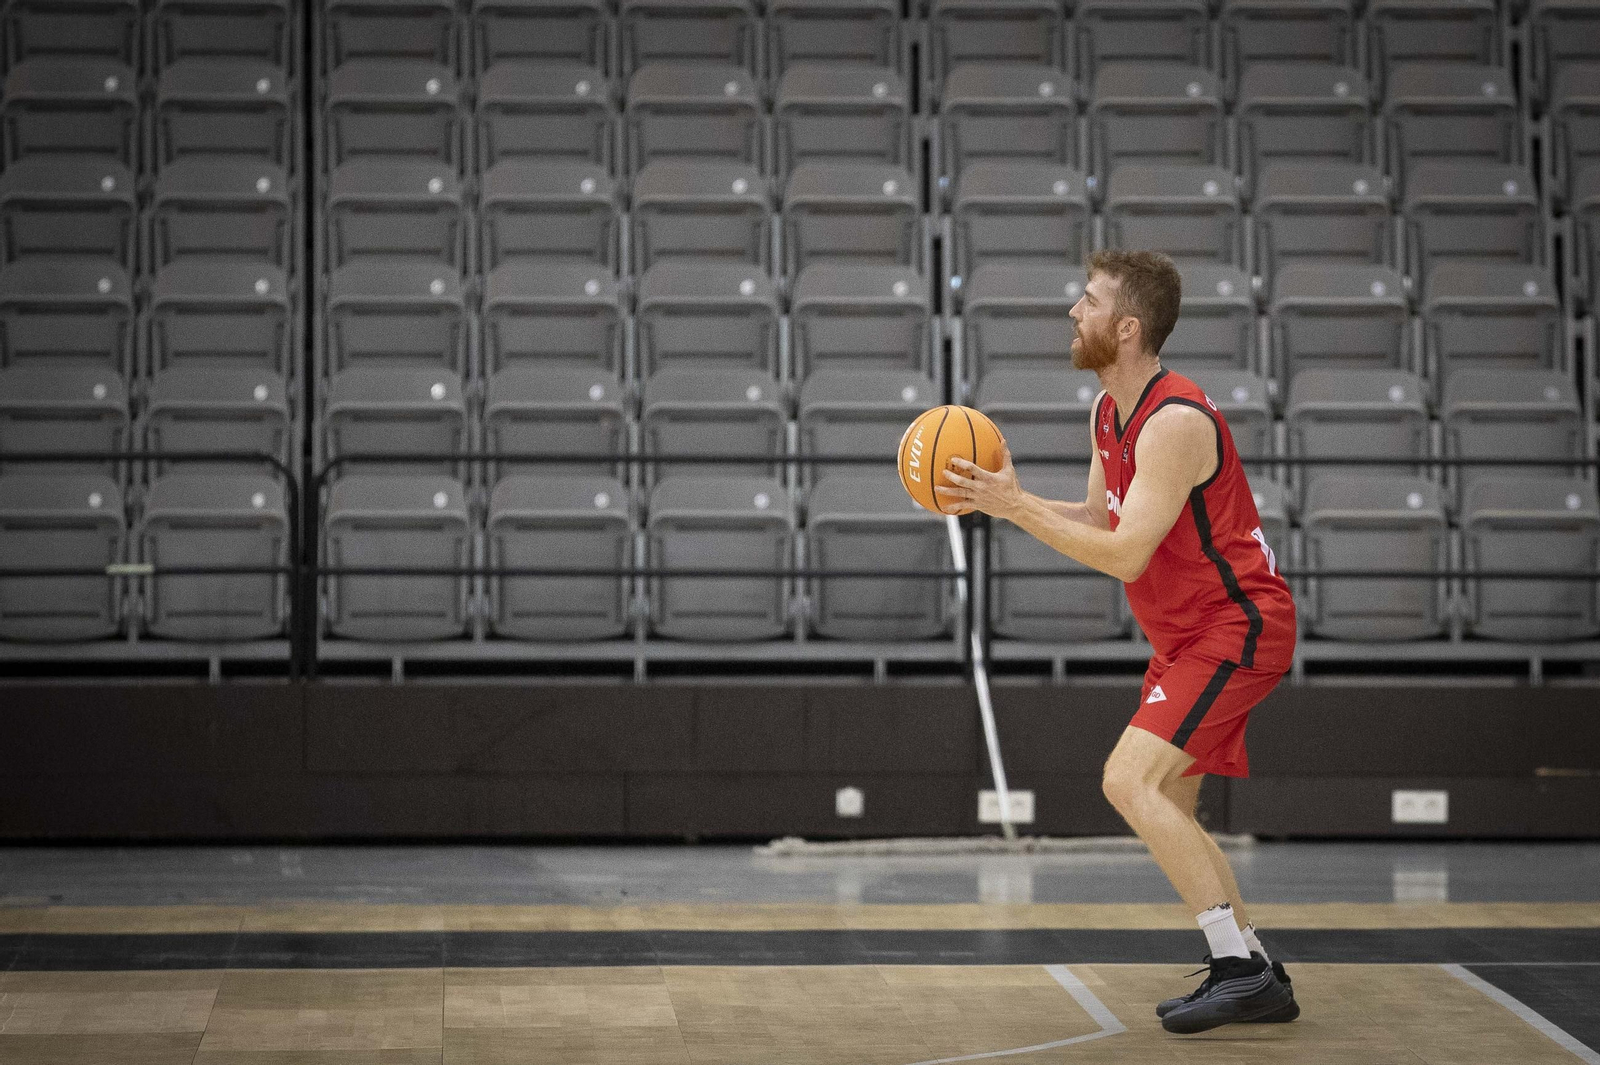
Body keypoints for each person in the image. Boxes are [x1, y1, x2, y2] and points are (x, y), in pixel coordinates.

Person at [936, 249, 1300, 1034]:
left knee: (1126, 780)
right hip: (1187, 632)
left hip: (1237, 624)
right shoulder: (1108, 411)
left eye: (1089, 301)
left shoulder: (1173, 421)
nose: (1074, 311)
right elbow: (1107, 521)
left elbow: (1127, 555)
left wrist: (1016, 508)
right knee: (1168, 797)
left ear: (1126, 328)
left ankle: (1237, 968)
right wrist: (1010, 501)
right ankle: (1257, 966)